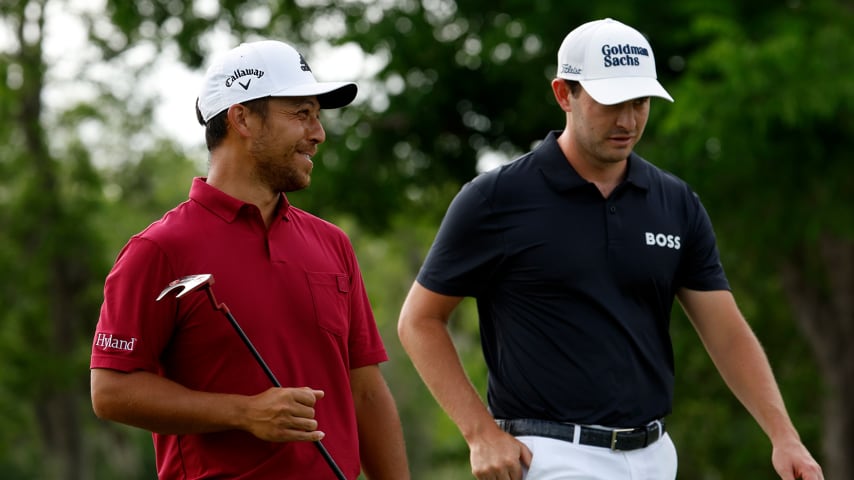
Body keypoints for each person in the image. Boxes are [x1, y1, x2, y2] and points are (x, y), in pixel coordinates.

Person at [397, 18, 823, 480]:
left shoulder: (674, 201)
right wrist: (479, 433)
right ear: (565, 94)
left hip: (656, 454)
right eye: (611, 103)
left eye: (640, 103)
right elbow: (419, 321)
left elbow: (726, 330)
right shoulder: (496, 199)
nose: (628, 121)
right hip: (551, 455)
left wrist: (784, 436)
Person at [90, 40, 409, 480]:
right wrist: (244, 413)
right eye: (301, 114)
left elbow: (366, 392)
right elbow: (110, 390)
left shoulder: (332, 244)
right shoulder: (159, 250)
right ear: (242, 117)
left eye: (317, 116)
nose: (318, 133)